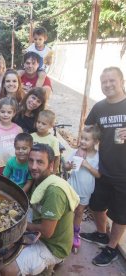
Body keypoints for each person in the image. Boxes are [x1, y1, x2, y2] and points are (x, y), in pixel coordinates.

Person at [0, 143, 79, 276]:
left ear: (51, 165)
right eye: (31, 161)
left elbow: (47, 232)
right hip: (41, 229)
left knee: (7, 269)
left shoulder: (54, 192)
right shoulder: (39, 179)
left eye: (40, 162)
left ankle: (51, 262)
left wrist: (18, 225)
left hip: (52, 246)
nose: (33, 167)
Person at [80, 67, 126, 266]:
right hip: (102, 169)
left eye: (112, 81)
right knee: (97, 205)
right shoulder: (99, 107)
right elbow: (88, 130)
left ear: (122, 81)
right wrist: (81, 151)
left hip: (124, 174)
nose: (107, 85)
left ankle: (112, 248)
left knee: (120, 214)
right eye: (104, 81)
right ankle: (101, 234)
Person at [64, 125, 100, 252]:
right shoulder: (75, 152)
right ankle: (64, 232)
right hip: (71, 187)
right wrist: (69, 166)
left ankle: (75, 233)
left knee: (79, 212)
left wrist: (87, 165)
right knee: (68, 211)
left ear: (95, 142)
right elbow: (66, 167)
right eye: (82, 138)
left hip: (85, 191)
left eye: (87, 139)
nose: (83, 141)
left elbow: (99, 174)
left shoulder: (97, 156)